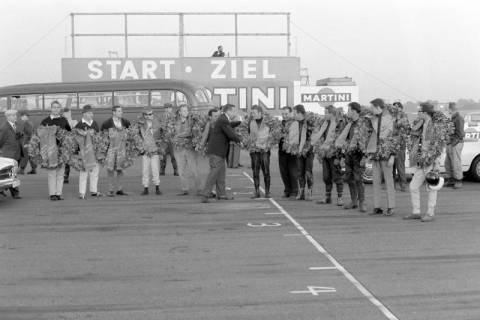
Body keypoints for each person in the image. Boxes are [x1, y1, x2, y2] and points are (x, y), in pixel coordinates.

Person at [405, 102, 450, 222]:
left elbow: (438, 145)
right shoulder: (423, 124)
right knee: (413, 186)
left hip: (431, 161)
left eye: (420, 111)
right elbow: (413, 134)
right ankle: (416, 212)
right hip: (422, 161)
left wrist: (435, 161)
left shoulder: (435, 126)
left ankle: (430, 213)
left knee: (431, 188)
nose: (418, 113)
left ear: (425, 113)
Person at [366, 98, 410, 216]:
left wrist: (392, 155)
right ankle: (377, 206)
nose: (371, 110)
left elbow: (395, 138)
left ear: (378, 107)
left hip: (386, 154)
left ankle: (391, 206)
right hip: (376, 154)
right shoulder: (373, 118)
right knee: (375, 181)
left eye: (372, 108)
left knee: (389, 182)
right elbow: (373, 136)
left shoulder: (391, 118)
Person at [201, 104, 241, 203]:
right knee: (214, 174)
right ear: (229, 111)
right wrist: (239, 140)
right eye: (233, 111)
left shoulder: (223, 119)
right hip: (217, 152)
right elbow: (230, 133)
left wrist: (239, 122)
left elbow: (229, 126)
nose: (234, 113)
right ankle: (205, 195)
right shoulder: (223, 119)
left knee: (221, 173)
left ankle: (221, 194)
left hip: (219, 152)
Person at [336, 102, 368, 212]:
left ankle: (362, 202)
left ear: (354, 111)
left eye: (349, 110)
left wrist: (365, 156)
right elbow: (345, 139)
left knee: (359, 179)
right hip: (349, 154)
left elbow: (364, 141)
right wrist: (343, 156)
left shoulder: (362, 123)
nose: (347, 112)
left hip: (358, 154)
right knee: (349, 178)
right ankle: (354, 201)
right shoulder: (349, 124)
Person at [40, 101, 72, 200]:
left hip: (62, 150)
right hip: (50, 151)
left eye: (58, 107)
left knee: (61, 173)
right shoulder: (45, 121)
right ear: (51, 108)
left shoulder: (64, 120)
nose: (56, 109)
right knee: (52, 173)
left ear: (60, 109)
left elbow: (69, 133)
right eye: (54, 107)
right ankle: (52, 194)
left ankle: (58, 193)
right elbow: (40, 136)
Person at [316, 106, 346, 206]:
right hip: (325, 152)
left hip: (334, 153)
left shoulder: (339, 123)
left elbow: (341, 139)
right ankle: (327, 197)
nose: (324, 115)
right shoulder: (325, 123)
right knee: (326, 176)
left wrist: (339, 156)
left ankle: (340, 198)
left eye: (326, 113)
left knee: (337, 176)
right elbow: (321, 137)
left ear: (331, 114)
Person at [101, 105, 131, 197]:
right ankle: (110, 190)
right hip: (111, 150)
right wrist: (103, 152)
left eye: (121, 111)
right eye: (119, 111)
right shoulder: (107, 123)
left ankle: (120, 189)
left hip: (121, 150)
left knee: (120, 170)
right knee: (110, 170)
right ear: (113, 112)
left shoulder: (125, 122)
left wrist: (128, 140)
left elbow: (131, 133)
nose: (121, 113)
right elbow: (103, 138)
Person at [75, 105, 102, 199]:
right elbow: (76, 139)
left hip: (94, 152)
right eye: (90, 113)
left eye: (92, 113)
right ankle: (82, 192)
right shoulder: (79, 125)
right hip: (84, 153)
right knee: (84, 172)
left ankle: (94, 190)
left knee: (95, 171)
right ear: (84, 114)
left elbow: (98, 137)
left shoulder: (94, 124)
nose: (92, 114)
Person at [173, 104, 202, 195]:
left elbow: (189, 132)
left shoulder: (192, 121)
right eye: (184, 111)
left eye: (187, 110)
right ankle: (185, 189)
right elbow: (170, 133)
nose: (186, 112)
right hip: (178, 149)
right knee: (181, 170)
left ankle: (200, 189)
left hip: (189, 148)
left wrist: (177, 135)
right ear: (179, 112)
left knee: (194, 170)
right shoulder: (174, 122)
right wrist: (175, 137)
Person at [288, 104, 314, 201]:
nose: (294, 115)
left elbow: (313, 135)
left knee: (308, 171)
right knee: (299, 172)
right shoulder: (294, 123)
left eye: (295, 113)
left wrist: (307, 147)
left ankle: (310, 192)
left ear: (300, 113)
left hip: (308, 151)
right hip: (298, 150)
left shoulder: (309, 122)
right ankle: (301, 192)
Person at [247, 105, 272, 198]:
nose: (252, 114)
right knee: (255, 171)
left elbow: (274, 134)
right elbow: (247, 134)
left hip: (265, 150)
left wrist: (268, 144)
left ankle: (267, 192)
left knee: (266, 171)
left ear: (260, 113)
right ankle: (257, 191)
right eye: (251, 113)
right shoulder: (250, 122)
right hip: (254, 150)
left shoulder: (268, 121)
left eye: (254, 113)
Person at [138, 106, 162, 196]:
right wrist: (142, 148)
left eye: (152, 114)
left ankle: (157, 187)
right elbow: (138, 138)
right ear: (145, 116)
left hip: (155, 150)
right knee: (145, 170)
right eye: (149, 114)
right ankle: (145, 188)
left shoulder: (157, 124)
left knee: (155, 169)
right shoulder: (141, 125)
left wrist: (160, 147)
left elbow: (160, 137)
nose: (151, 115)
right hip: (145, 151)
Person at [0, 110, 22, 199]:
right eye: (13, 115)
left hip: (16, 153)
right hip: (9, 154)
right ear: (8, 116)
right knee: (12, 174)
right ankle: (15, 193)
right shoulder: (4, 127)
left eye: (15, 115)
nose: (16, 117)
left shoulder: (14, 125)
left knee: (11, 173)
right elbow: (0, 140)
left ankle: (2, 190)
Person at [278, 106, 298, 198]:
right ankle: (287, 190)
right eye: (283, 114)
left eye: (286, 114)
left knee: (292, 171)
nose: (284, 116)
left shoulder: (295, 123)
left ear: (291, 113)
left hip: (292, 151)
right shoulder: (281, 123)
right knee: (284, 171)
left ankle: (294, 190)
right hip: (282, 150)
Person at [444, 102, 465, 189]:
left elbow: (460, 134)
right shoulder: (453, 118)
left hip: (456, 143)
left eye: (447, 108)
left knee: (456, 163)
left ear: (450, 109)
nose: (446, 110)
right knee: (448, 162)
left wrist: (452, 142)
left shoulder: (458, 118)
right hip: (451, 143)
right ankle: (450, 179)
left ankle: (458, 180)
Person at [392, 102, 408, 191]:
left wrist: (397, 118)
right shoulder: (392, 116)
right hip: (392, 144)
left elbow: (399, 125)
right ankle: (392, 186)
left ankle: (403, 185)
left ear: (400, 108)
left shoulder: (403, 116)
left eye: (396, 108)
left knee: (400, 166)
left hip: (400, 144)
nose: (394, 109)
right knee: (391, 167)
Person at [159, 103, 178, 176]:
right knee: (163, 156)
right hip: (164, 139)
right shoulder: (161, 117)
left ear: (171, 108)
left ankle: (176, 170)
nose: (167, 109)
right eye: (166, 108)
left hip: (172, 139)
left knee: (174, 156)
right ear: (164, 109)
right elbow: (159, 127)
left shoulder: (175, 117)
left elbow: (177, 127)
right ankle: (162, 170)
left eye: (169, 108)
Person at [62, 107, 78, 184]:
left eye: (68, 112)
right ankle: (64, 176)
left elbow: (75, 132)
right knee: (63, 161)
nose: (67, 114)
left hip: (71, 144)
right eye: (66, 113)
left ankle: (65, 176)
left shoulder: (74, 122)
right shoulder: (61, 122)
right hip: (62, 144)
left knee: (67, 161)